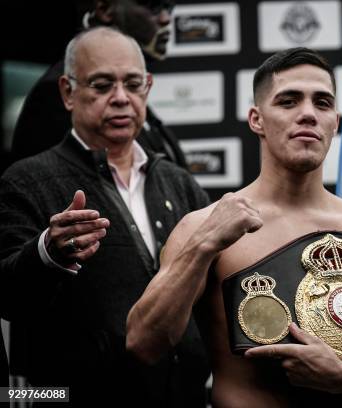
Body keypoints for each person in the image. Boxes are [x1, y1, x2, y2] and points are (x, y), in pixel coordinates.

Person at [126, 47, 342, 407]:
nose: (307, 113)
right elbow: (144, 343)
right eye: (288, 101)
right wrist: (202, 247)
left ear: (335, 121)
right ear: (256, 119)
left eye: (322, 103)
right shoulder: (205, 227)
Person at [0, 27, 209, 406]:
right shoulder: (25, 179)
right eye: (101, 85)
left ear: (147, 87)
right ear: (67, 92)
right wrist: (47, 252)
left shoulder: (180, 183)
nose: (120, 99)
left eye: (132, 84)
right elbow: (7, 297)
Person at [11, 0, 186, 168]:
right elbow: (49, 185)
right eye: (153, 6)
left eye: (168, 7)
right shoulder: (54, 94)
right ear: (104, 8)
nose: (166, 18)